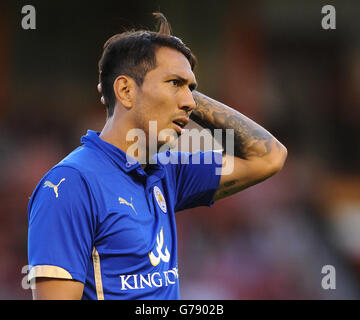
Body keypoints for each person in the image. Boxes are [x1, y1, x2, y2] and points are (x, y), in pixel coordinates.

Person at [27, 12, 287, 300]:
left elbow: (269, 157)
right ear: (125, 90)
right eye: (175, 83)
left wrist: (184, 95)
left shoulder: (169, 172)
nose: (189, 102)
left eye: (192, 89)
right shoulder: (71, 185)